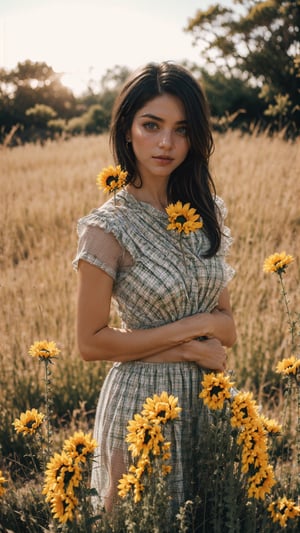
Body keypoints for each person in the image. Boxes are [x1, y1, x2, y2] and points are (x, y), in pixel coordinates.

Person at [73, 61, 236, 521]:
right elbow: (90, 343)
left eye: (181, 130)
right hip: (140, 406)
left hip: (209, 401)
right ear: (127, 130)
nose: (166, 143)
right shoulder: (108, 228)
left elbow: (228, 329)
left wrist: (206, 332)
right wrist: (191, 344)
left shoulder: (206, 212)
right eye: (152, 125)